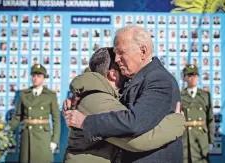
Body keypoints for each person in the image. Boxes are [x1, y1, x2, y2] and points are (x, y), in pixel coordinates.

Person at [64, 26, 183, 163]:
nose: (117, 59)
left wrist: (86, 122)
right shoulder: (135, 80)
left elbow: (134, 123)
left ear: (143, 51)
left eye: (121, 53)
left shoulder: (158, 79)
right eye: (115, 54)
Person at [9, 64, 60, 163]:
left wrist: (54, 140)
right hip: (27, 136)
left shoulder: (50, 95)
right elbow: (17, 116)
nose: (35, 78)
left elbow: (56, 119)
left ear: (44, 78)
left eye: (38, 76)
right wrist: (6, 132)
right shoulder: (24, 94)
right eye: (33, 75)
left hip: (43, 137)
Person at [181, 64, 215, 163]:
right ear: (185, 78)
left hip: (201, 139)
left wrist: (211, 141)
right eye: (190, 76)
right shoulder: (180, 95)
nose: (193, 78)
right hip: (185, 139)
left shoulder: (205, 95)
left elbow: (210, 119)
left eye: (195, 76)